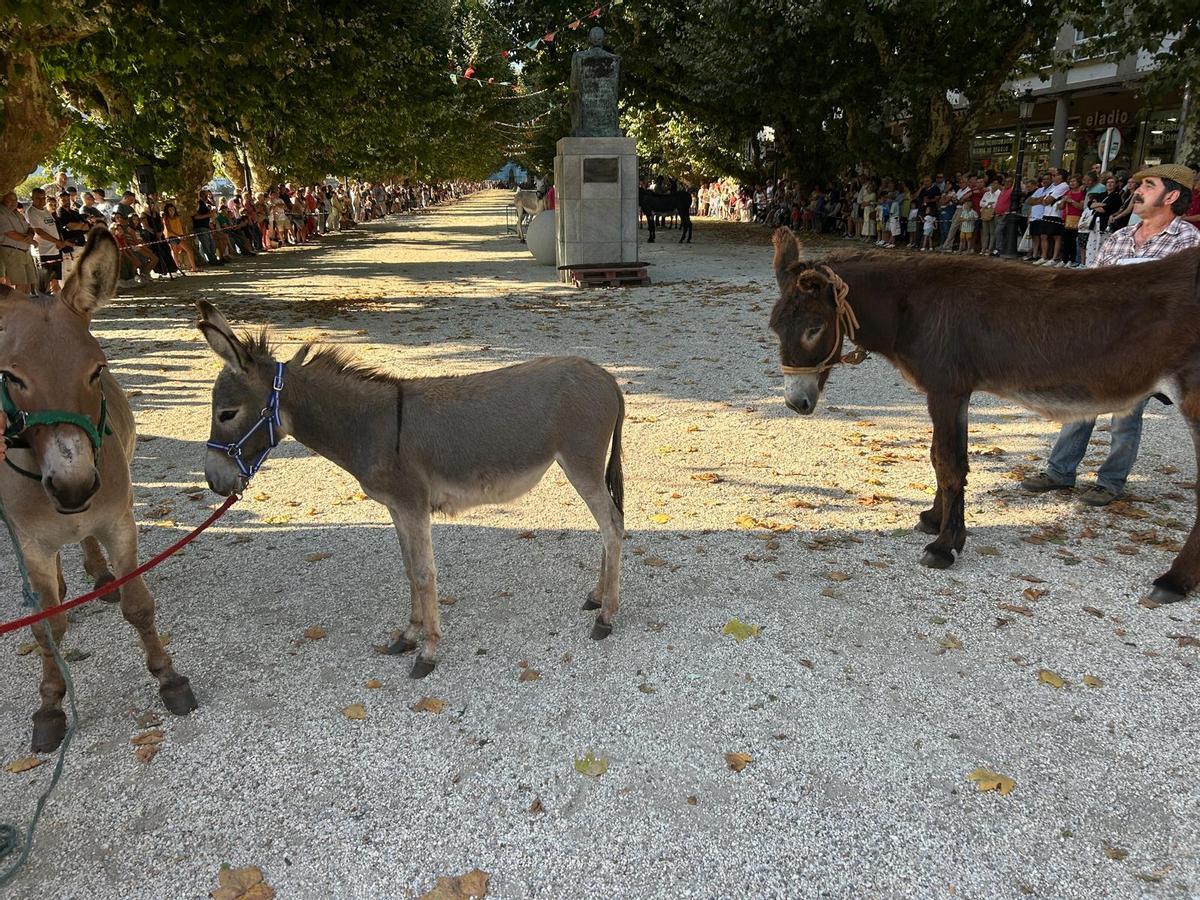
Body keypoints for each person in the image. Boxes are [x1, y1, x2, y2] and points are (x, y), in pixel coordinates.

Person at [1021, 164, 1200, 506]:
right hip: (1101, 341)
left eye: (1149, 184)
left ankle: (1110, 481)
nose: (1138, 190)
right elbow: (1089, 288)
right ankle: (1060, 471)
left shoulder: (1189, 241)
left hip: (1146, 347)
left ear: (1172, 195)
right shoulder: (1119, 238)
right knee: (1081, 406)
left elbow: (1184, 303)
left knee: (1125, 416)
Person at [25, 187, 72, 292]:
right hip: (43, 251)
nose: (41, 200)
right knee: (44, 283)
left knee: (55, 281)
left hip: (55, 250)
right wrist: (57, 241)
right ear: (32, 198)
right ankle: (43, 305)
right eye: (38, 198)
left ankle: (56, 305)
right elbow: (39, 231)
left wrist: (60, 241)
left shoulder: (46, 210)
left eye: (43, 198)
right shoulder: (31, 212)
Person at [0, 192, 38, 292]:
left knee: (29, 283)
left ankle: (25, 306)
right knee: (19, 284)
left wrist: (30, 236)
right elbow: (9, 233)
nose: (13, 202)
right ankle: (18, 307)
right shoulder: (1, 212)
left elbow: (29, 227)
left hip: (25, 251)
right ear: (3, 200)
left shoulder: (17, 213)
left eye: (15, 200)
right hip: (12, 251)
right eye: (10, 200)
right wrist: (30, 240)